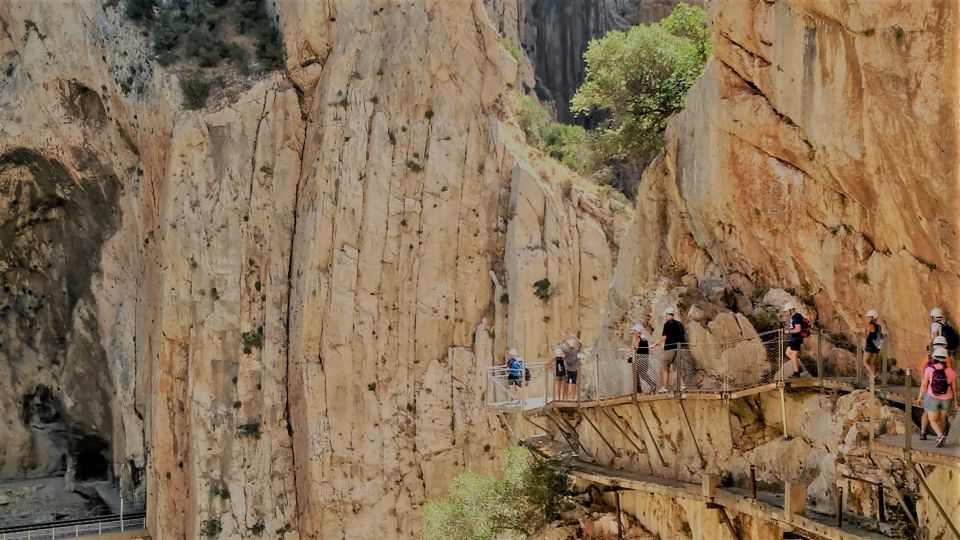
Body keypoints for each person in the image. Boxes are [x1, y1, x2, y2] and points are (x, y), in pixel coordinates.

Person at [916, 347, 957, 447]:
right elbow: (954, 387)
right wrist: (955, 401)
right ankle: (942, 436)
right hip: (947, 398)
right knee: (942, 418)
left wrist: (920, 396)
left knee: (933, 419)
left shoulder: (930, 369)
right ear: (945, 358)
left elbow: (924, 384)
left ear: (934, 358)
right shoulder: (950, 371)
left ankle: (939, 435)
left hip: (932, 396)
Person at [657, 308, 685, 392]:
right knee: (677, 367)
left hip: (670, 348)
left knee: (665, 367)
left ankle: (665, 387)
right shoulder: (679, 323)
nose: (665, 317)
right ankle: (682, 385)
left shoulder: (667, 324)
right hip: (679, 348)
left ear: (667, 314)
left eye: (665, 315)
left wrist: (655, 343)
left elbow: (664, 336)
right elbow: (683, 335)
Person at [628, 324, 656, 393]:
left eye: (634, 331)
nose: (633, 333)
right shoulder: (644, 338)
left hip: (638, 358)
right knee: (642, 373)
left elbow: (634, 348)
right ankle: (649, 385)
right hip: (645, 358)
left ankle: (639, 389)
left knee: (636, 373)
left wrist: (631, 357)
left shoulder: (637, 338)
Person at [783, 302, 807, 377]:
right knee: (788, 353)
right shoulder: (793, 317)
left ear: (791, 310)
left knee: (793, 355)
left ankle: (796, 373)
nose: (786, 312)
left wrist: (788, 331)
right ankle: (796, 366)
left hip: (796, 338)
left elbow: (798, 329)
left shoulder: (796, 317)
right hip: (793, 339)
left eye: (787, 311)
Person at [862, 310, 883, 378]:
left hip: (870, 345)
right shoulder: (879, 326)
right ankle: (872, 380)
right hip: (877, 346)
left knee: (865, 362)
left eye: (869, 317)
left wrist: (862, 335)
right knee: (872, 363)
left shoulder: (870, 325)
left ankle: (872, 375)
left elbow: (867, 336)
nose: (868, 318)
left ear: (872, 317)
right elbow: (880, 336)